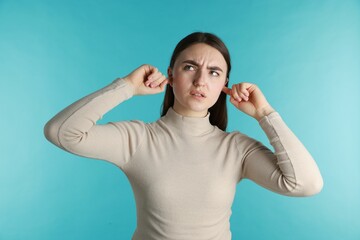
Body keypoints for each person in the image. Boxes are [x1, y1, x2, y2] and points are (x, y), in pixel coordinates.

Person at [44, 32, 323, 240]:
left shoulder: (236, 149)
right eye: (190, 67)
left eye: (214, 73)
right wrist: (126, 86)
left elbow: (305, 184)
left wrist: (264, 112)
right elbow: (61, 132)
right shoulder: (137, 139)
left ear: (224, 86)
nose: (201, 81)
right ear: (171, 75)